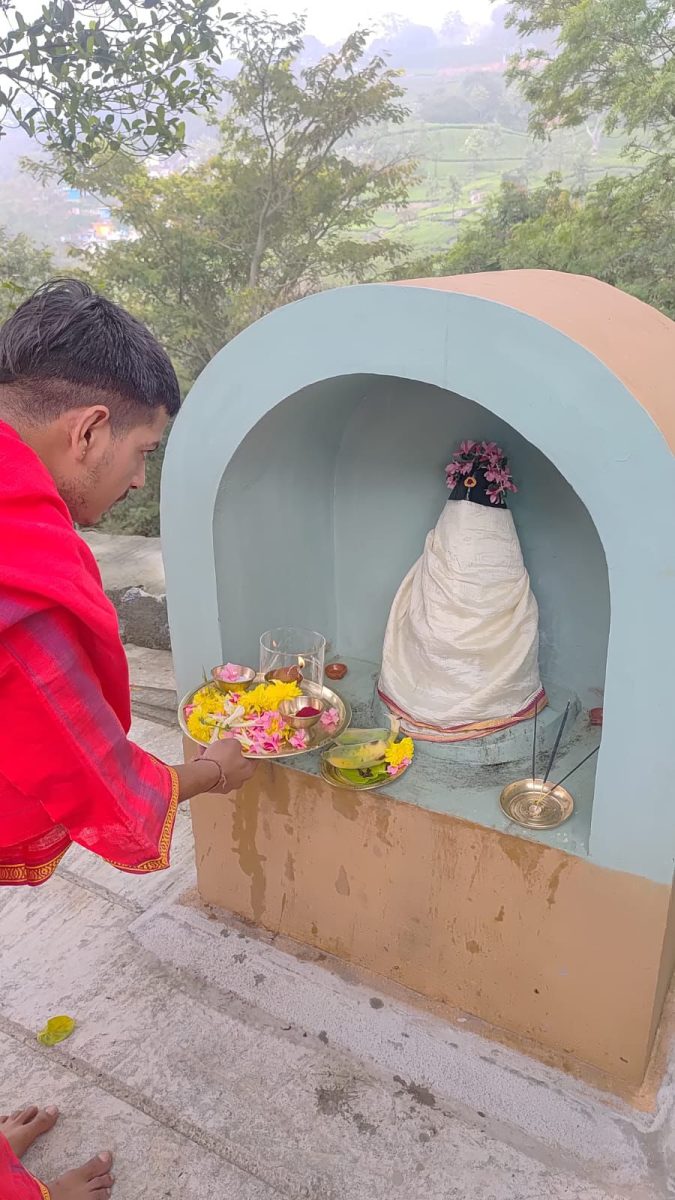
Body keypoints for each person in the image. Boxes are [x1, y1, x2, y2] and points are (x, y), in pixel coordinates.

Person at [0, 280, 256, 1199]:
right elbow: (95, 776)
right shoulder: (22, 568)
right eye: (143, 453)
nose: (140, 480)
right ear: (89, 430)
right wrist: (213, 770)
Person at [378, 439, 545, 741]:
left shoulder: (494, 513)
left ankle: (483, 700)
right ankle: (426, 691)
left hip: (489, 540)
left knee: (481, 586)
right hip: (456, 539)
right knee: (441, 599)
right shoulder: (458, 512)